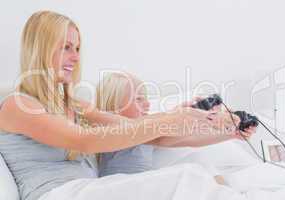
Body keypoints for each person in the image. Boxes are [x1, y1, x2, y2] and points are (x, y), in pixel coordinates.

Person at [0, 10, 249, 200]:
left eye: (77, 48)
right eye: (66, 47)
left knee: (198, 174)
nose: (76, 57)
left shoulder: (75, 105)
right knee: (189, 177)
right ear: (41, 49)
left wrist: (220, 130)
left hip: (88, 191)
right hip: (58, 194)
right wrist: (167, 119)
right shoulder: (18, 104)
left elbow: (144, 133)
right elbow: (83, 140)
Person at [96, 72, 256, 185]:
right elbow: (158, 125)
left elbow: (186, 139)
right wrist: (177, 116)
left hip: (144, 186)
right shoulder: (111, 129)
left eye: (146, 98)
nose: (147, 104)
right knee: (191, 174)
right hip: (121, 188)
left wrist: (230, 134)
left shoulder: (147, 133)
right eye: (138, 99)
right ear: (115, 106)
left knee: (202, 167)